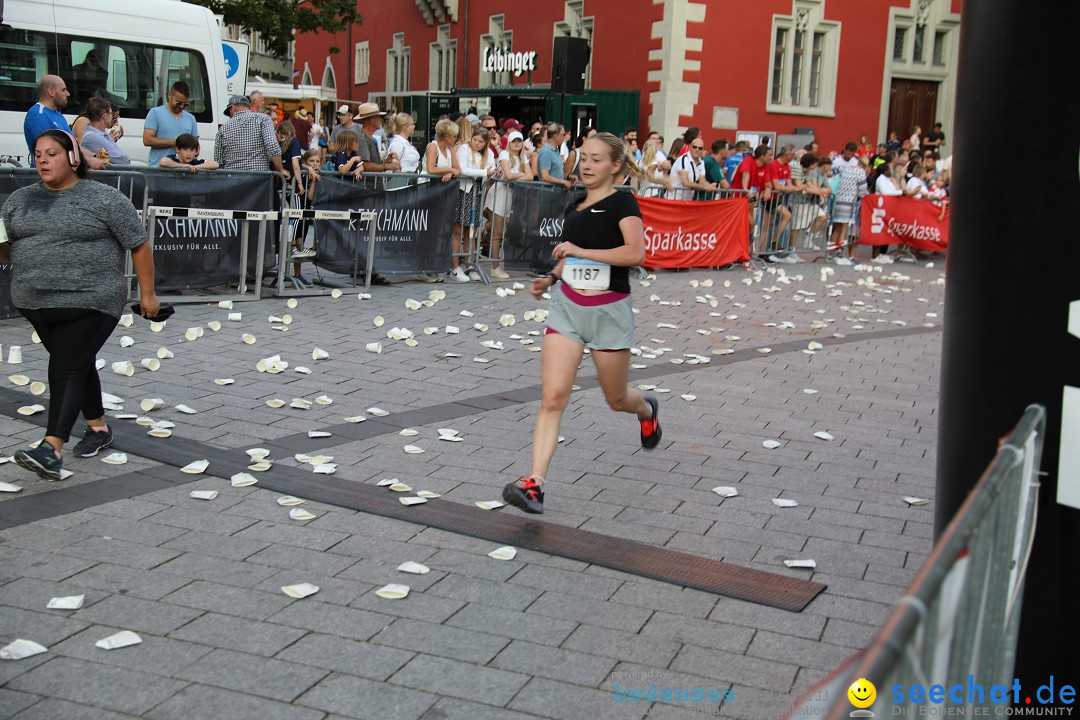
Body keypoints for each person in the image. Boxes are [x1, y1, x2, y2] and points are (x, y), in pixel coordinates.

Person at [501, 133, 658, 515]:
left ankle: (647, 411)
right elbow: (567, 258)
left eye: (596, 160)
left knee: (616, 399)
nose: (586, 165)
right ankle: (535, 484)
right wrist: (551, 277)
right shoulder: (576, 202)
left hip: (609, 312)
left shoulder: (623, 201)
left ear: (615, 166)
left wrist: (580, 251)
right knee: (553, 397)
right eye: (583, 158)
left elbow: (635, 253)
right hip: (568, 308)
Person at [0, 130, 158, 480]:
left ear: (74, 157)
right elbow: (7, 246)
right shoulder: (19, 200)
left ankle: (51, 448)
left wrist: (148, 293)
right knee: (76, 363)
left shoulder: (104, 198)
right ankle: (99, 428)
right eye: (37, 154)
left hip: (91, 299)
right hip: (35, 301)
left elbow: (139, 243)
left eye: (52, 153)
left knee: (65, 369)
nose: (42, 159)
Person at [23, 76, 107, 170]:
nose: (68, 94)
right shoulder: (38, 115)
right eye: (63, 90)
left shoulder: (58, 115)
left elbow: (73, 146)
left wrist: (95, 156)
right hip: (47, 175)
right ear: (51, 92)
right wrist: (88, 160)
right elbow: (51, 151)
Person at [486, 130, 533, 279]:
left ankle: (484, 228)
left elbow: (531, 176)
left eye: (519, 141)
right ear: (510, 143)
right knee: (498, 233)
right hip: (499, 195)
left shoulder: (523, 157)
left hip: (511, 197)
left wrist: (515, 177)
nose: (517, 144)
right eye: (514, 141)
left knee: (505, 229)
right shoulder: (504, 155)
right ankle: (495, 267)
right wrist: (520, 175)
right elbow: (508, 175)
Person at [450, 129, 495, 282]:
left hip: (477, 193)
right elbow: (463, 169)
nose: (477, 143)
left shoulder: (487, 153)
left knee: (473, 231)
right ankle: (455, 267)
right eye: (475, 139)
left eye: (481, 141)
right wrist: (484, 172)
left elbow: (492, 169)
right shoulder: (464, 149)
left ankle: (470, 265)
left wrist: (490, 173)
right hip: (464, 191)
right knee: (458, 230)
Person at [214, 95, 284, 173]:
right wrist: (281, 169)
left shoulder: (222, 129)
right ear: (248, 106)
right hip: (259, 176)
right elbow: (272, 146)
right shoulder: (263, 119)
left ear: (233, 108)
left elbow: (218, 161)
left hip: (231, 178)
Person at [143, 82, 198, 167]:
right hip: (158, 168)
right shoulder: (155, 113)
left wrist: (195, 150)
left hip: (183, 171)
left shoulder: (191, 118)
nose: (182, 106)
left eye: (185, 104)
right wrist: (175, 142)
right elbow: (147, 140)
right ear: (169, 95)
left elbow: (195, 143)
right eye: (179, 102)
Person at [289, 149, 322, 285]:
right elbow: (297, 164)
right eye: (311, 161)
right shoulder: (303, 171)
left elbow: (310, 196)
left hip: (307, 210)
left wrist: (314, 180)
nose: (315, 164)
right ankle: (286, 272)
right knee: (294, 241)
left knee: (301, 242)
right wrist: (308, 168)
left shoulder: (316, 174)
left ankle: (298, 274)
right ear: (306, 161)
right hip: (296, 208)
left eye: (317, 161)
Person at [78, 97, 130, 166]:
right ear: (104, 116)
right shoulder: (93, 137)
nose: (112, 118)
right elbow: (123, 160)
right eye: (111, 114)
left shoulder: (101, 133)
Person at [353, 103, 400, 174]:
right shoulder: (362, 138)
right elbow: (365, 165)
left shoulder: (368, 137)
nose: (380, 120)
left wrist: (387, 160)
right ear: (371, 120)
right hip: (367, 184)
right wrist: (388, 166)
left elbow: (373, 163)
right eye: (378, 117)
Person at [538, 123, 574, 190]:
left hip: (556, 194)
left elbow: (556, 172)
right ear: (556, 137)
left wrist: (568, 177)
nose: (564, 138)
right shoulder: (546, 152)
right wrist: (563, 182)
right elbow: (545, 177)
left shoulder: (555, 150)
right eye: (563, 135)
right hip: (549, 195)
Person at [276, 120, 305, 190]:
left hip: (281, 183)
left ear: (279, 132)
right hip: (293, 184)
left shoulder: (278, 145)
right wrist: (300, 183)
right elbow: (295, 164)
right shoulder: (294, 143)